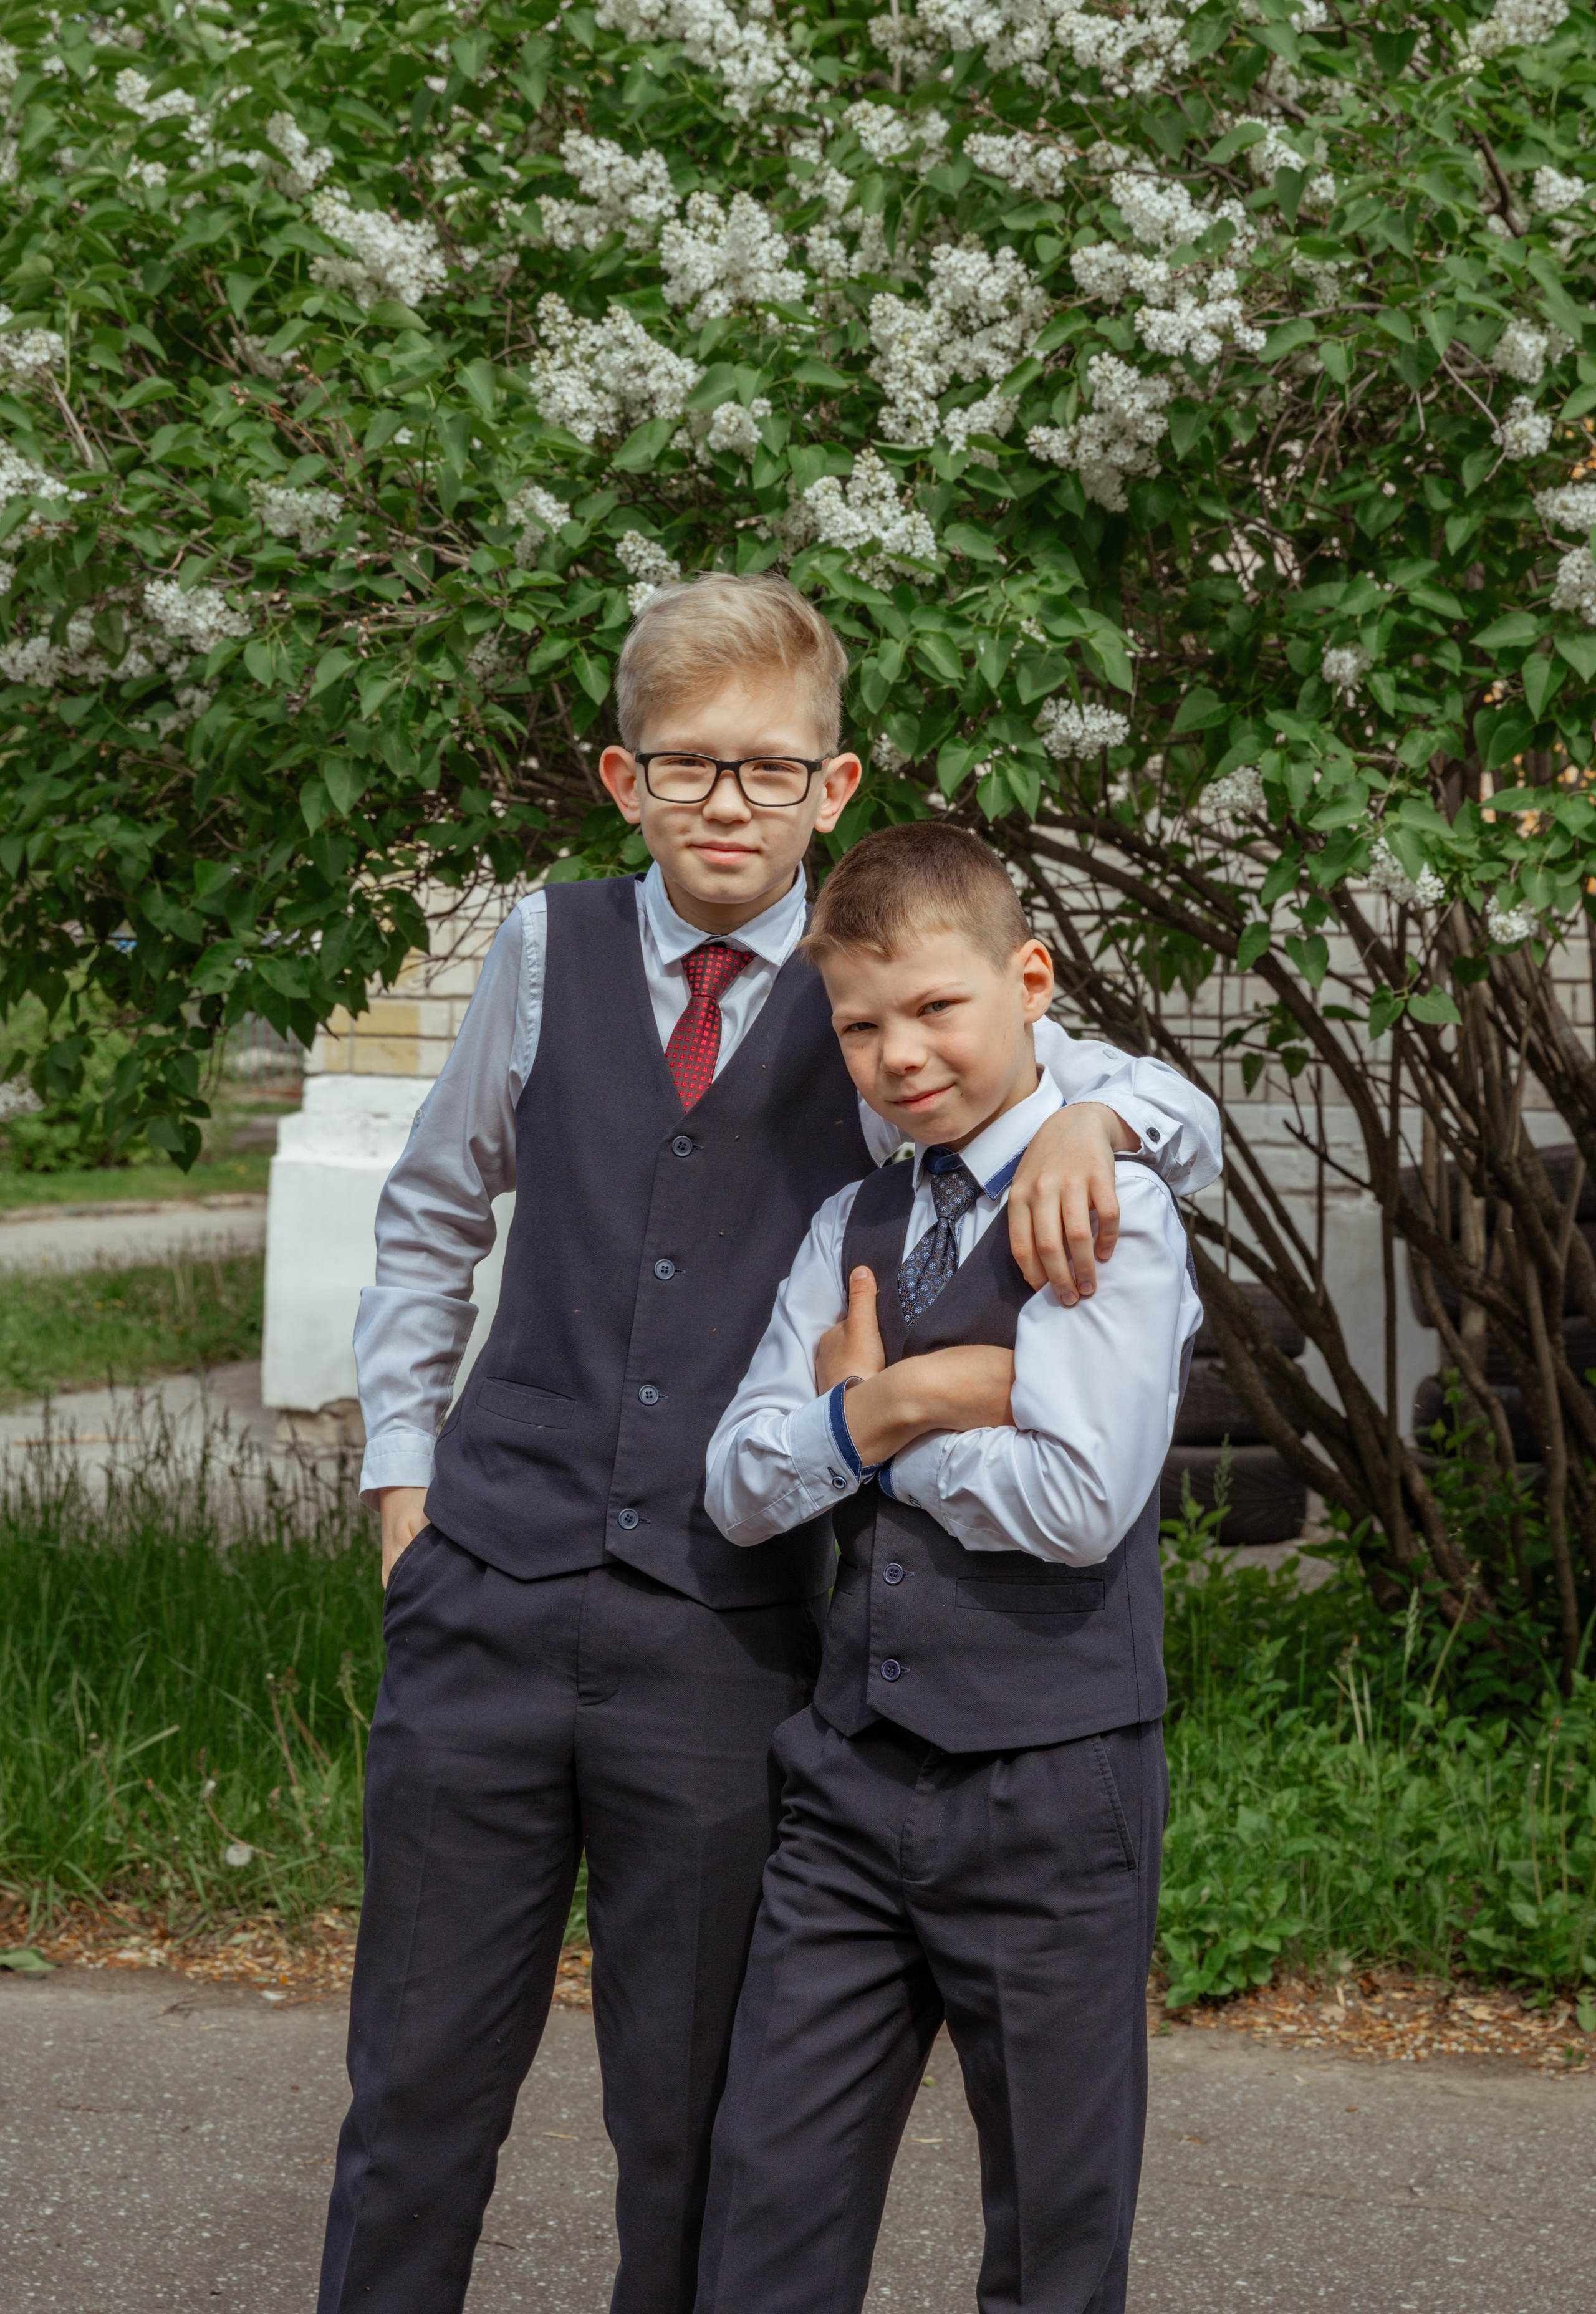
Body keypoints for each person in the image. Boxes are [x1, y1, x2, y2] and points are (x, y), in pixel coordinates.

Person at [320, 573, 1219, 2314]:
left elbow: (1132, 1095)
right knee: (414, 2103)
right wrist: (400, 1488)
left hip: (723, 1642)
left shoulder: (890, 989)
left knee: (693, 2134)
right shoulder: (540, 951)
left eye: (767, 766)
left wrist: (1100, 1111)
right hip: (484, 1598)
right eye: (688, 765)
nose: (726, 799)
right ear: (621, 780)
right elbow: (430, 1217)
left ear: (835, 784)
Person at [698, 819, 1203, 2314]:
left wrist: (854, 1422)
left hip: (1052, 1788)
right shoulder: (845, 1221)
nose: (898, 1052)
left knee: (1052, 2238)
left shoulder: (1110, 1203)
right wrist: (909, 1398)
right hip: (847, 1782)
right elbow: (736, 1482)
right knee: (763, 2210)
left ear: (1027, 979)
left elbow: (1074, 1497)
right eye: (860, 1024)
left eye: (933, 1007)